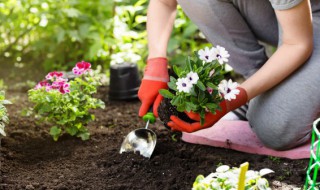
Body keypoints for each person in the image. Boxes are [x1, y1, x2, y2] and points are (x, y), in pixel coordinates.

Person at [138, 0, 320, 151]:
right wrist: (155, 63)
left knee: (275, 129)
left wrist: (234, 100)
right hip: (287, 15)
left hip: (310, 21)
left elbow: (297, 44)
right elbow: (164, 2)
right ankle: (260, 90)